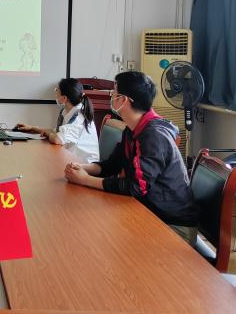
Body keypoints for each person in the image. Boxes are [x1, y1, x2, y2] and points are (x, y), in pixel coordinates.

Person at [64, 71, 198, 244]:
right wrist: (82, 168)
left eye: (114, 93)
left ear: (124, 100)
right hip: (149, 212)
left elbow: (136, 187)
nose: (111, 96)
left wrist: (85, 180)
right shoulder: (133, 128)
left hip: (173, 226)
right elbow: (112, 165)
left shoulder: (153, 136)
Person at [16, 78, 99, 163]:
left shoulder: (78, 118)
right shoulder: (67, 111)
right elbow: (56, 131)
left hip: (85, 165)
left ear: (64, 98)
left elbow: (57, 139)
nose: (55, 92)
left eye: (57, 90)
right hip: (72, 159)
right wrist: (32, 128)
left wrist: (48, 134)